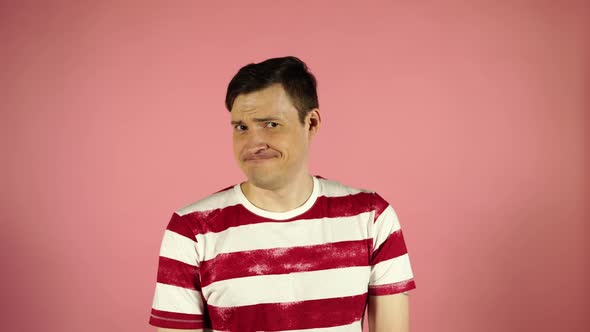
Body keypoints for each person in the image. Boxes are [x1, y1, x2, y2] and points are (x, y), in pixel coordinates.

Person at [148, 56, 417, 332]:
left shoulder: (372, 217)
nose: (253, 143)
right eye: (241, 127)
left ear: (311, 123)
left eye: (271, 124)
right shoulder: (191, 229)